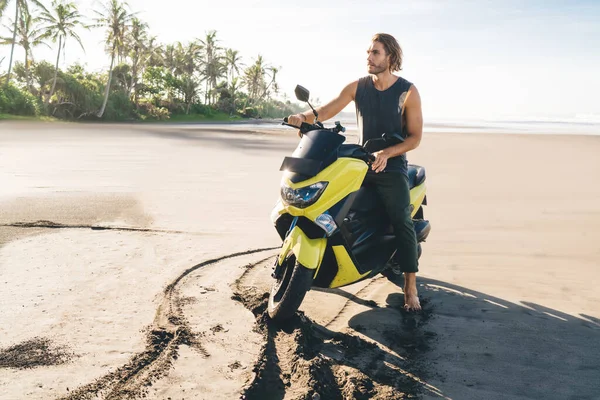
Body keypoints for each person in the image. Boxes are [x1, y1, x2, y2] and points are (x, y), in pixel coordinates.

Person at [286, 33, 423, 311]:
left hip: (391, 164)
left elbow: (414, 137)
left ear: (390, 58)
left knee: (401, 219)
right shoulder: (357, 87)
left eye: (376, 53)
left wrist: (387, 153)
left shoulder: (408, 91)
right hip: (362, 160)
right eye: (369, 52)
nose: (369, 58)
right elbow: (325, 111)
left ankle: (411, 287)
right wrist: (303, 118)